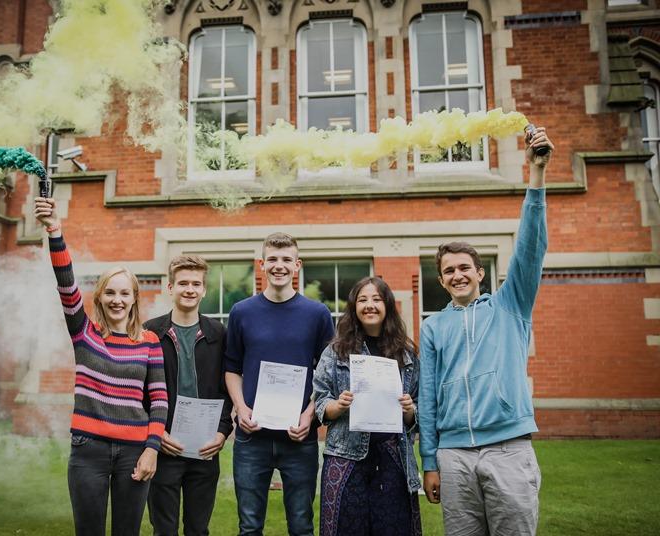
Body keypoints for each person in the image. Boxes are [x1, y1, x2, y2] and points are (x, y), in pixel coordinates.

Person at [419, 127, 554, 536]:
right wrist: (429, 462)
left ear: (480, 272)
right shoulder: (433, 326)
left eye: (464, 268)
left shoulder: (510, 304)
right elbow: (427, 395)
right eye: (448, 272)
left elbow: (530, 246)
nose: (457, 275)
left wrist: (537, 175)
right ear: (441, 282)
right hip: (454, 455)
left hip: (508, 449)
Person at [34, 197, 168, 536]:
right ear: (100, 298)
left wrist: (152, 450)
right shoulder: (85, 334)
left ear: (135, 298)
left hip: (134, 451)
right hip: (88, 450)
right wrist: (55, 230)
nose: (117, 300)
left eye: (125, 294)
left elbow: (160, 402)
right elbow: (66, 282)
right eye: (110, 293)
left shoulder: (149, 341)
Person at [224, 232, 335, 536]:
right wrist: (241, 408)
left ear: (297, 265)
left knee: (301, 525)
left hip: (299, 437)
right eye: (272, 259)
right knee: (249, 526)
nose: (279, 265)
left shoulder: (318, 314)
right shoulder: (242, 312)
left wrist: (309, 415)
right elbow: (231, 368)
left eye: (286, 259)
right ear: (262, 264)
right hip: (252, 437)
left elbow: (328, 374)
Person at [313, 276, 422, 536]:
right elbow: (320, 400)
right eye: (362, 300)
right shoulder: (336, 351)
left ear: (387, 306)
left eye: (376, 299)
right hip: (345, 457)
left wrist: (410, 411)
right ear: (353, 307)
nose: (369, 305)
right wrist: (337, 406)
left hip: (392, 458)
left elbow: (419, 407)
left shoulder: (406, 354)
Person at [143, 255, 233, 536]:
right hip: (164, 446)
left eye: (196, 283)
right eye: (183, 283)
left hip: (205, 448)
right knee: (164, 530)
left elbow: (227, 388)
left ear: (204, 289)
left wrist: (221, 432)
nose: (190, 289)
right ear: (170, 288)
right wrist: (155, 434)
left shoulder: (218, 333)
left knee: (198, 529)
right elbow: (139, 389)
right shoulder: (149, 332)